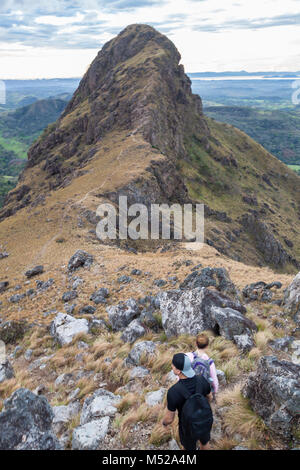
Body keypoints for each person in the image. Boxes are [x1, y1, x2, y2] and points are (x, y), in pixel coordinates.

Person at [162, 353, 213, 451]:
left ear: (178, 371)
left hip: (187, 426)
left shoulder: (173, 392)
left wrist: (164, 423)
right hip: (204, 420)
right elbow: (210, 396)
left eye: (173, 365)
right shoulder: (201, 379)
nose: (171, 366)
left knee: (188, 447)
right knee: (205, 442)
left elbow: (169, 419)